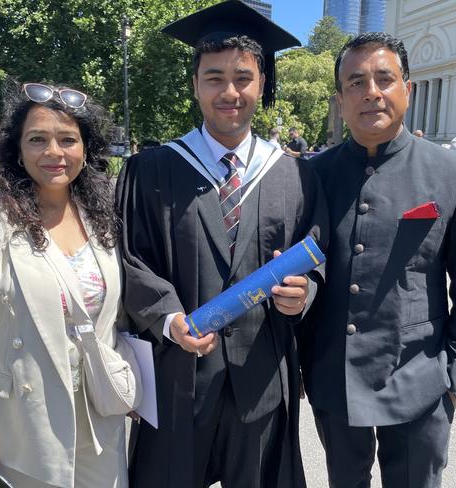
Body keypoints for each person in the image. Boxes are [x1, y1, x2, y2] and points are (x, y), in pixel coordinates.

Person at [117, 2, 328, 487]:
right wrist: (169, 319)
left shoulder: (294, 173)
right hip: (178, 379)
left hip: (262, 382)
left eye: (243, 78)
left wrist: (305, 291)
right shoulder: (151, 170)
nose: (229, 92)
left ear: (262, 85)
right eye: (214, 78)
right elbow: (129, 259)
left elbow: (317, 254)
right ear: (194, 85)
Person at [300, 32, 456, 487]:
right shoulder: (313, 174)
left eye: (384, 78)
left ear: (406, 86)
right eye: (356, 82)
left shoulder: (451, 171)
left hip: (419, 377)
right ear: (340, 99)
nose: (371, 91)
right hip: (335, 373)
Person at [0, 81, 140, 488]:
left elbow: (112, 323)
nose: (54, 153)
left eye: (68, 139)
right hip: (20, 436)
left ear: (86, 149)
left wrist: (128, 379)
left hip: (100, 426)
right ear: (16, 149)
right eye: (38, 139)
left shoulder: (101, 221)